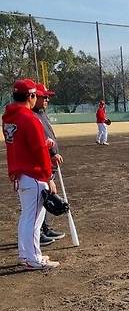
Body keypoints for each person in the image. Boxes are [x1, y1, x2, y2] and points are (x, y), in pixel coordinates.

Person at [2, 78, 60, 269]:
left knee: (27, 217)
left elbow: (23, 144)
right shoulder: (30, 118)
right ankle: (33, 258)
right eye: (35, 95)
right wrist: (49, 177)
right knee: (34, 219)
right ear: (31, 96)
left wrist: (45, 143)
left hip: (20, 174)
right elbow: (38, 153)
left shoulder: (9, 117)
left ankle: (27, 254)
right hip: (34, 175)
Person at [34, 82, 66, 245]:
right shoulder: (33, 116)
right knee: (41, 199)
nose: (47, 100)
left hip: (49, 161)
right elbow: (41, 141)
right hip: (42, 163)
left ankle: (45, 228)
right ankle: (38, 232)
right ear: (34, 97)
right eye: (44, 97)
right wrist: (52, 154)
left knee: (45, 196)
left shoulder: (41, 113)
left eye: (48, 97)